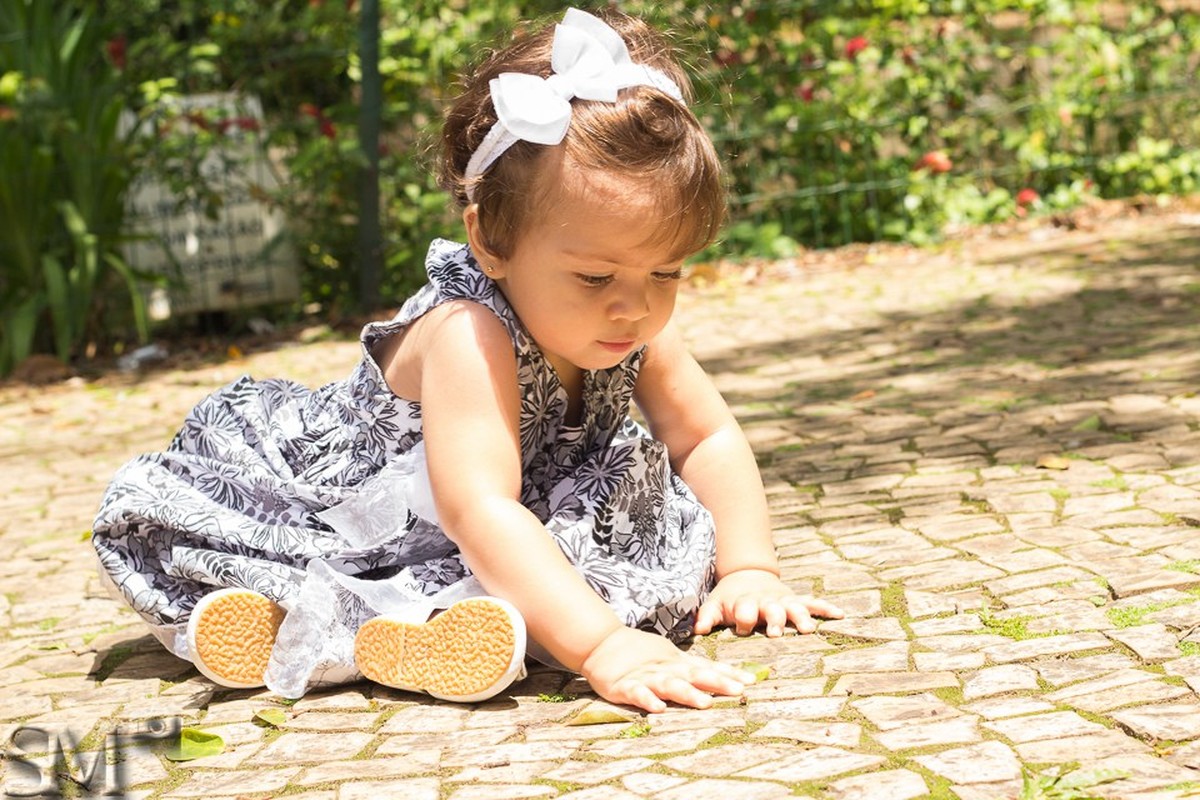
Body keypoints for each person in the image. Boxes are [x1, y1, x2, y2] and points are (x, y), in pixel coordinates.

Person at [91, 6, 842, 713]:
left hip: (486, 527)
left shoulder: (633, 323)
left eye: (667, 273)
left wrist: (749, 568)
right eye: (594, 277)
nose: (633, 306)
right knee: (324, 557)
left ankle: (401, 638)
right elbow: (477, 507)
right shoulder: (469, 333)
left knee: (626, 546)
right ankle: (309, 619)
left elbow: (703, 436)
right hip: (357, 513)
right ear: (490, 239)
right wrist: (604, 645)